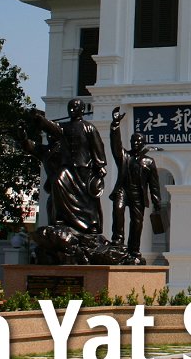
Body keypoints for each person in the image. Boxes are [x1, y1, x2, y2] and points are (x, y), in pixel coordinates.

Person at [22, 99, 107, 235]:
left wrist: (100, 164)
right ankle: (61, 218)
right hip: (67, 167)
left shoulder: (89, 128)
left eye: (75, 107)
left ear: (82, 109)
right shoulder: (63, 128)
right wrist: (38, 118)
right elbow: (50, 126)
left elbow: (97, 146)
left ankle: (92, 223)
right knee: (58, 181)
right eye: (70, 107)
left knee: (88, 199)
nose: (72, 110)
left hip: (84, 167)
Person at [110, 106, 161, 256]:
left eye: (138, 141)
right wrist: (115, 126)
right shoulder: (125, 156)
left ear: (143, 143)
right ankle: (118, 241)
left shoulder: (149, 162)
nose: (135, 143)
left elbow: (154, 185)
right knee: (117, 212)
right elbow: (115, 145)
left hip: (138, 194)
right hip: (123, 190)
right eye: (133, 141)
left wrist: (157, 202)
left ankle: (134, 249)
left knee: (137, 223)